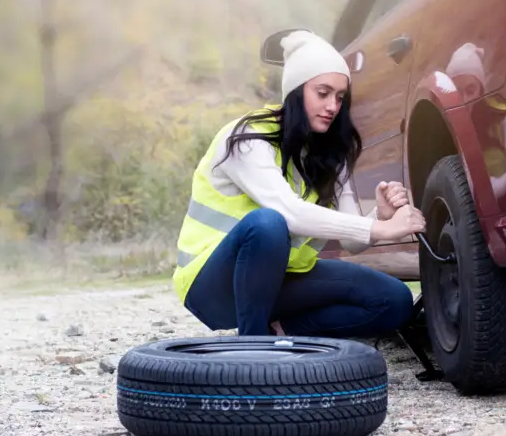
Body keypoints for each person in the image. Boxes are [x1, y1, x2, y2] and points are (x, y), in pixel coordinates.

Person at [173, 30, 425, 338]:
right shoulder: (247, 138)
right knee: (267, 223)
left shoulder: (332, 154)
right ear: (295, 91)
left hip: (280, 281)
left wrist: (379, 217)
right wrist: (383, 230)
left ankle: (280, 332)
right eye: (323, 92)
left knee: (394, 300)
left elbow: (352, 242)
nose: (333, 106)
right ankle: (253, 349)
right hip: (210, 285)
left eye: (340, 97)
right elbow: (288, 213)